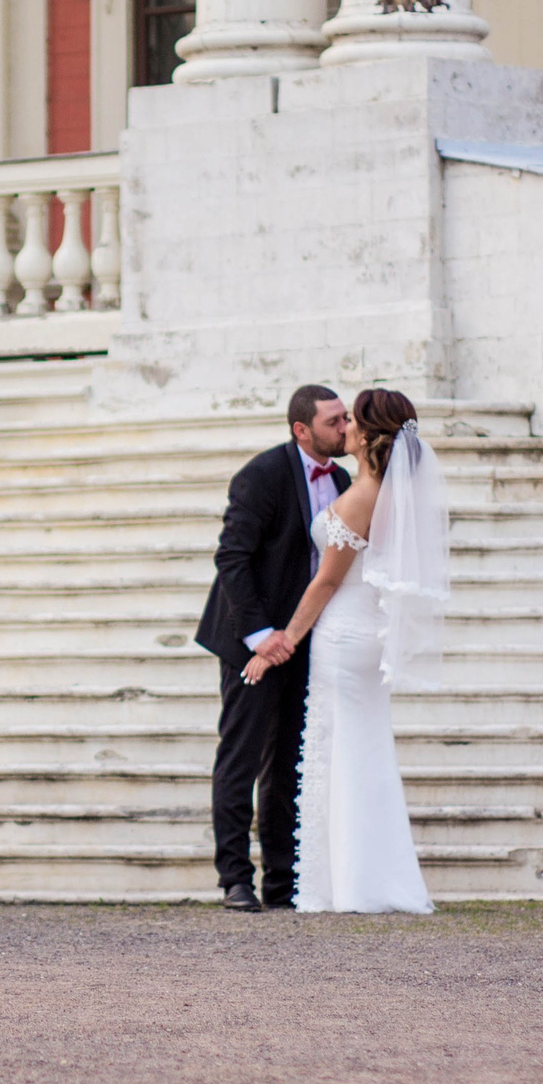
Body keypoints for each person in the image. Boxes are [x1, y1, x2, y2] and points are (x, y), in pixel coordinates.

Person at [244, 387, 444, 915]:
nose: (345, 427)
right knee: (364, 753)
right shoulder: (385, 491)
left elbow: (326, 582)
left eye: (352, 420)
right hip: (366, 632)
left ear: (370, 435)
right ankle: (365, 879)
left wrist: (283, 641)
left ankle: (347, 884)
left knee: (341, 756)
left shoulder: (359, 496)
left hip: (343, 633)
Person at [195, 384, 351, 913]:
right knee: (240, 759)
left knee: (288, 765)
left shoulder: (346, 480)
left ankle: (283, 884)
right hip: (250, 641)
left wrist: (299, 635)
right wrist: (263, 637)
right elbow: (231, 560)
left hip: (305, 641)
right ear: (300, 430)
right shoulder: (260, 476)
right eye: (334, 421)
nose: (346, 427)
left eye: (346, 417)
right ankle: (235, 879)